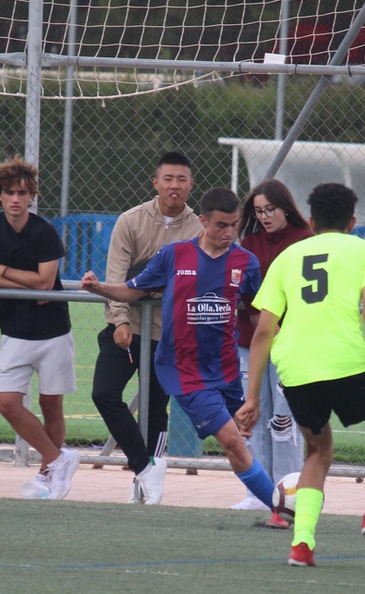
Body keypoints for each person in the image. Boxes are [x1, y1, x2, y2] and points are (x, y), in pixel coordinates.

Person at [236, 182, 365, 567]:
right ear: (353, 221)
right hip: (347, 363)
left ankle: (301, 546)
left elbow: (264, 330)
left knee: (317, 452)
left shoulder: (287, 256)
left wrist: (251, 397)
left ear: (312, 220)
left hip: (296, 370)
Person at [82, 187, 276, 510]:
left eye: (234, 225)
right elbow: (134, 290)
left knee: (242, 439)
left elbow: (260, 316)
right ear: (202, 221)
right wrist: (100, 287)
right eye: (221, 225)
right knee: (231, 441)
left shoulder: (246, 262)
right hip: (186, 373)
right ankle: (279, 507)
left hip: (227, 370)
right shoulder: (174, 255)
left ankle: (272, 501)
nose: (229, 233)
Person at [90, 152, 203, 504]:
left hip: (168, 333)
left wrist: (159, 288)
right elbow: (116, 274)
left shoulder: (198, 229)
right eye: (167, 179)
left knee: (156, 409)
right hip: (127, 327)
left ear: (190, 185)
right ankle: (144, 467)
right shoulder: (131, 220)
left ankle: (147, 483)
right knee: (104, 393)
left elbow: (194, 282)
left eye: (181, 180)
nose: (174, 186)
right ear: (155, 183)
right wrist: (121, 318)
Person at [0, 158, 79, 499]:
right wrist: (25, 283)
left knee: (52, 405)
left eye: (23, 192)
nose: (16, 198)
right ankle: (58, 459)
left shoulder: (44, 231)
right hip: (14, 330)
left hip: (53, 331)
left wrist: (4, 270)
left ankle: (48, 475)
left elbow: (46, 281)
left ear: (32, 195)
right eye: (9, 192)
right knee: (7, 402)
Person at [231, 179, 311, 526]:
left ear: (286, 207)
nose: (264, 217)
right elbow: (244, 293)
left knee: (284, 421)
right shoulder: (249, 243)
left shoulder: (305, 241)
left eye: (270, 210)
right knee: (256, 420)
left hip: (290, 345)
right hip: (250, 343)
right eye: (259, 211)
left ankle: (288, 496)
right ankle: (259, 495)